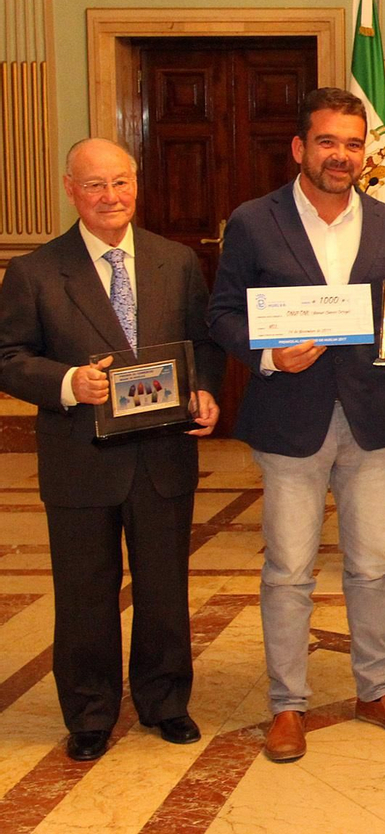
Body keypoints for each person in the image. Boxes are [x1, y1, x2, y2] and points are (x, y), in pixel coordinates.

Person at [208, 87, 385, 762]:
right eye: (329, 141)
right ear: (301, 148)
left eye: (354, 144)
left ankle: (376, 686)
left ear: (367, 153)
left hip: (369, 418)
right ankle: (287, 703)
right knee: (288, 570)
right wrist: (269, 354)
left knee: (373, 564)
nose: (342, 155)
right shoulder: (253, 221)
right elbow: (220, 314)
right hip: (289, 418)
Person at [0, 138, 222, 762]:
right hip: (80, 461)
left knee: (164, 589)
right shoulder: (36, 271)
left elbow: (203, 342)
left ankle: (165, 703)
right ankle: (91, 713)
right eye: (95, 185)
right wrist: (69, 383)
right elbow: (9, 358)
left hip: (162, 458)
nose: (110, 197)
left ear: (136, 186)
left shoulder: (173, 261)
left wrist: (203, 389)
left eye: (120, 183)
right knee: (84, 592)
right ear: (69, 189)